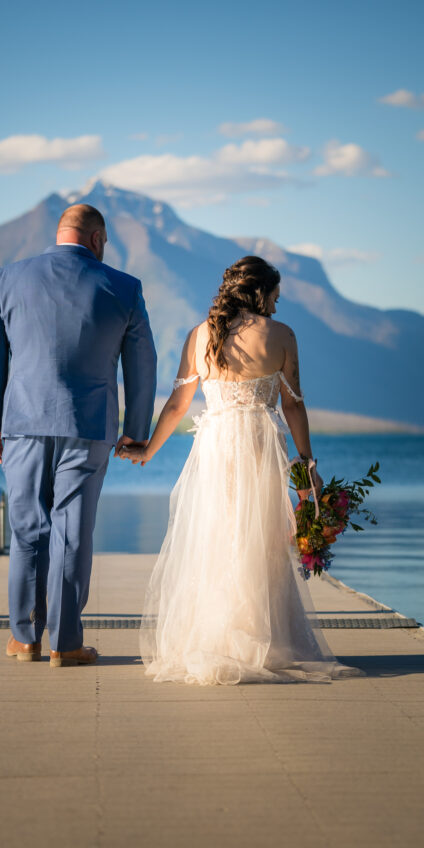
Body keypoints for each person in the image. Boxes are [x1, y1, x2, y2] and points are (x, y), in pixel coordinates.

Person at [119, 256, 362, 685]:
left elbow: (178, 406)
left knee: (216, 537)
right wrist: (307, 468)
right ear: (261, 292)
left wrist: (149, 451)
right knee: (261, 539)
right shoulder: (282, 335)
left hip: (214, 448)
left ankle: (216, 639)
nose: (277, 305)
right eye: (275, 296)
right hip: (258, 447)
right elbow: (293, 406)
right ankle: (266, 639)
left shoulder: (200, 335)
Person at [0, 204, 157, 667]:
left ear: (61, 234)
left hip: (22, 425)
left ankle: (24, 639)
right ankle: (66, 644)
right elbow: (142, 365)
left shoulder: (6, 279)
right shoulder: (124, 287)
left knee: (27, 531)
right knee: (72, 532)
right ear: (96, 239)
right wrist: (136, 433)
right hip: (88, 426)